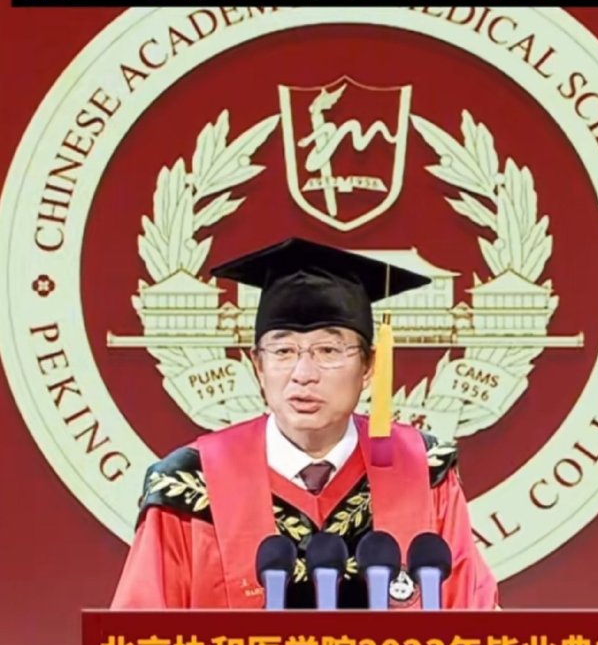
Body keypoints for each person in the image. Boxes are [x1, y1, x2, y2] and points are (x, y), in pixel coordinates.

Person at [111, 238, 498, 611]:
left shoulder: (421, 469)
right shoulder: (191, 482)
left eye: (328, 350)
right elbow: (137, 639)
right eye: (283, 351)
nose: (303, 373)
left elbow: (475, 618)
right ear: (258, 365)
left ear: (368, 366)